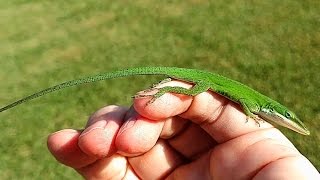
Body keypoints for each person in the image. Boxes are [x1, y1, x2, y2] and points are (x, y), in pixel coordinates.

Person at [47, 80, 319, 179]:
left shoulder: (271, 163)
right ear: (277, 112)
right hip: (203, 81)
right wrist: (250, 114)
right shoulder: (258, 106)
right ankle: (164, 89)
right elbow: (246, 102)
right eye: (288, 118)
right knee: (191, 94)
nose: (291, 124)